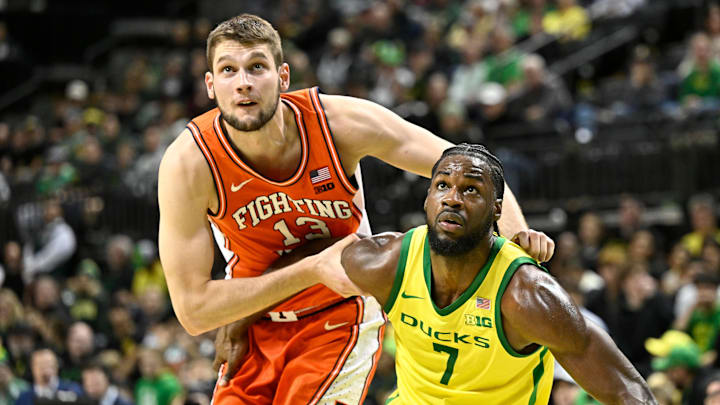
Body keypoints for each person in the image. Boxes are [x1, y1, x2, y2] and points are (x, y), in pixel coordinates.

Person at [157, 14, 554, 405]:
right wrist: (285, 285)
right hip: (257, 325)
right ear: (210, 85)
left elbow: (465, 163)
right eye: (228, 70)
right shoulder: (189, 163)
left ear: (283, 77)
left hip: (341, 312)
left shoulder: (338, 123)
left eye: (256, 67)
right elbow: (194, 312)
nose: (243, 83)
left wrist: (518, 241)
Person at [338, 144, 656, 403]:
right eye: (442, 185)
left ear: (497, 210)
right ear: (427, 199)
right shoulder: (385, 262)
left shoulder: (527, 295)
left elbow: (628, 392)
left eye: (471, 190)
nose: (452, 198)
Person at [16, 348, 83, 405]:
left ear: (56, 366)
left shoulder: (72, 390)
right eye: (41, 365)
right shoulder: (23, 398)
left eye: (49, 364)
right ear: (32, 368)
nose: (45, 368)